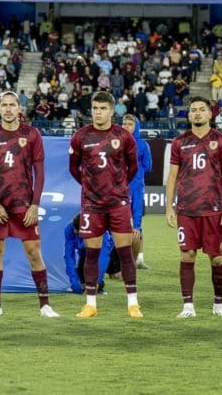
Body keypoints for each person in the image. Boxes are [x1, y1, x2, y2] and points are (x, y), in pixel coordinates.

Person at [0, 90, 57, 318]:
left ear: (19, 108)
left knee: (33, 252)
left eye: (12, 104)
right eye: (4, 105)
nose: (8, 109)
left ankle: (45, 305)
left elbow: (39, 173)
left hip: (24, 205)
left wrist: (35, 205)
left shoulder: (32, 135)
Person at [69, 90, 141, 318]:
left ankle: (133, 304)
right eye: (95, 108)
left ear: (112, 111)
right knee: (91, 253)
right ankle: (90, 304)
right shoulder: (81, 136)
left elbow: (133, 168)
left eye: (102, 109)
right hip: (91, 204)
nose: (98, 113)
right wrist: (90, 187)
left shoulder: (124, 136)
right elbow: (74, 168)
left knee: (125, 252)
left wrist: (117, 188)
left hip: (118, 203)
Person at [165, 96, 222, 318]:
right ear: (188, 115)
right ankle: (188, 306)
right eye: (193, 110)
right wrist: (169, 207)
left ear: (210, 114)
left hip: (214, 210)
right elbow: (173, 176)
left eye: (201, 109)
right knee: (187, 256)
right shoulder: (179, 142)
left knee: (217, 258)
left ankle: (218, 304)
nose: (196, 113)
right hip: (187, 210)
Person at [122, 114, 153, 269]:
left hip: (137, 188)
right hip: (120, 189)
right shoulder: (117, 143)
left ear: (136, 126)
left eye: (130, 124)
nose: (126, 126)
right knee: (119, 224)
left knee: (137, 223)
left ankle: (139, 259)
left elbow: (148, 166)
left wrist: (136, 173)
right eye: (124, 123)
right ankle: (122, 261)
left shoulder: (142, 145)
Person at [63, 213, 116, 294]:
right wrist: (74, 281)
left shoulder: (100, 231)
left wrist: (96, 282)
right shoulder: (69, 229)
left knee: (116, 276)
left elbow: (103, 257)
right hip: (85, 252)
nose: (74, 231)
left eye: (77, 230)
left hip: (108, 250)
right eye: (74, 228)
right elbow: (69, 256)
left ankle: (100, 283)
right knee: (80, 285)